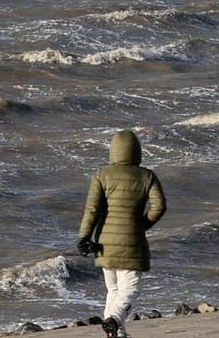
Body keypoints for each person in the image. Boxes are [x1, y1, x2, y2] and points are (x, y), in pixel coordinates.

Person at [76, 129, 167, 337]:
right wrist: (141, 225)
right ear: (137, 151)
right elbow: (159, 207)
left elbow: (92, 209)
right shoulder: (147, 176)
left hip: (103, 243)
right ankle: (115, 319)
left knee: (113, 290)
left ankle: (118, 333)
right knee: (130, 289)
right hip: (132, 242)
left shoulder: (102, 175)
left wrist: (84, 237)